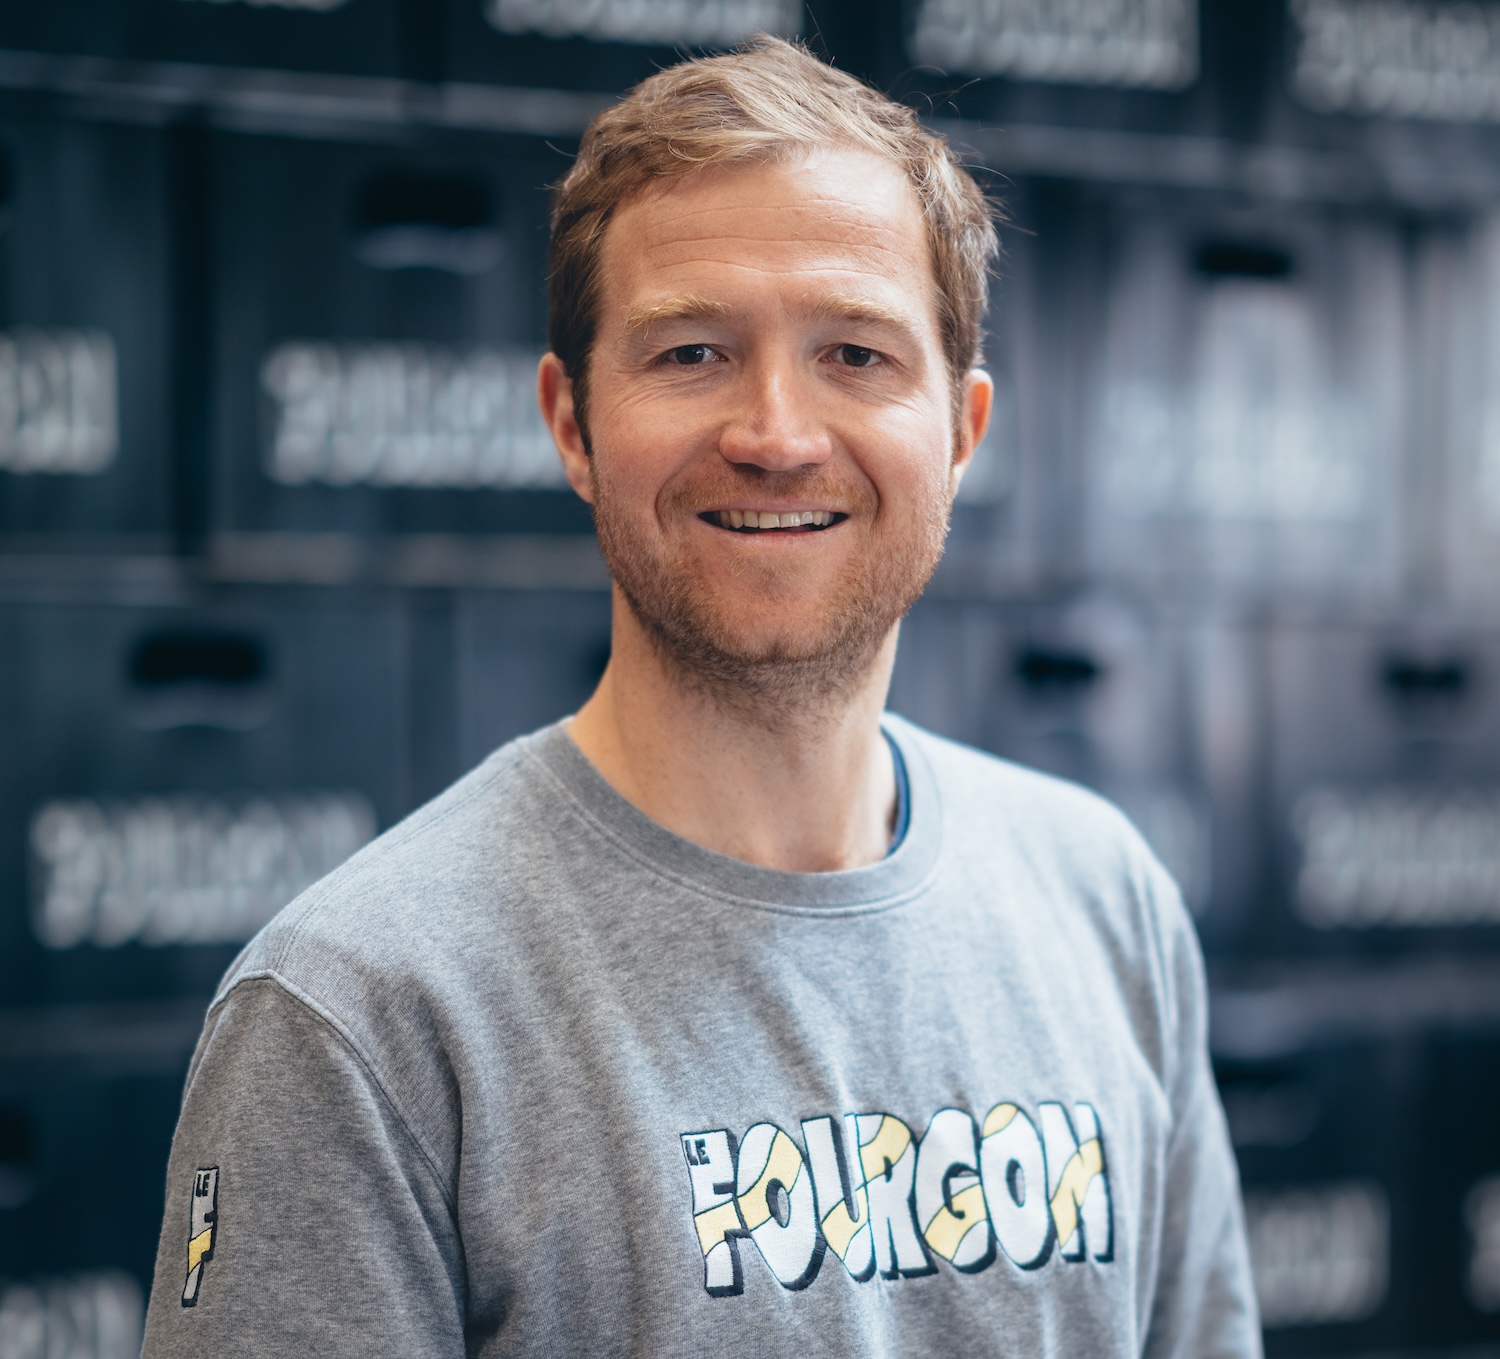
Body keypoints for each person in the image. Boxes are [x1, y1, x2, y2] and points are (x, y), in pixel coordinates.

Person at [142, 37, 1260, 1358]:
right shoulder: (365, 1010)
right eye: (691, 354)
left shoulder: (1103, 901)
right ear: (572, 424)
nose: (778, 434)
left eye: (855, 353)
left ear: (960, 432)